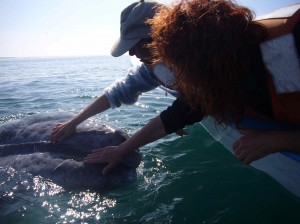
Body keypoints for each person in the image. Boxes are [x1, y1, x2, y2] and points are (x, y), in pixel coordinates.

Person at [84, 0, 300, 172]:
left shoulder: (288, 52)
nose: (177, 78)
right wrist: (122, 149)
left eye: (177, 65)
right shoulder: (213, 77)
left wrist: (277, 140)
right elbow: (184, 110)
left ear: (207, 59)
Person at [52, 0, 203, 171]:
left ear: (159, 37)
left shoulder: (205, 59)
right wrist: (75, 121)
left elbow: (188, 109)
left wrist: (121, 150)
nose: (130, 52)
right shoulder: (153, 66)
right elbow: (117, 93)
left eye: (135, 44)